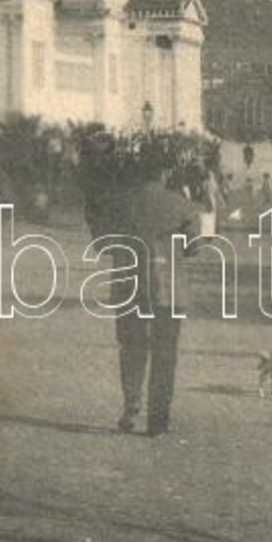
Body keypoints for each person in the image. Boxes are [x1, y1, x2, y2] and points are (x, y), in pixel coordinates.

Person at [86, 151, 209, 438]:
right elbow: (195, 248)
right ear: (164, 175)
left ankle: (131, 407)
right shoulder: (183, 205)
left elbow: (101, 246)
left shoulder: (118, 203)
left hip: (129, 287)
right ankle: (158, 420)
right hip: (169, 290)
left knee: (131, 347)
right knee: (165, 354)